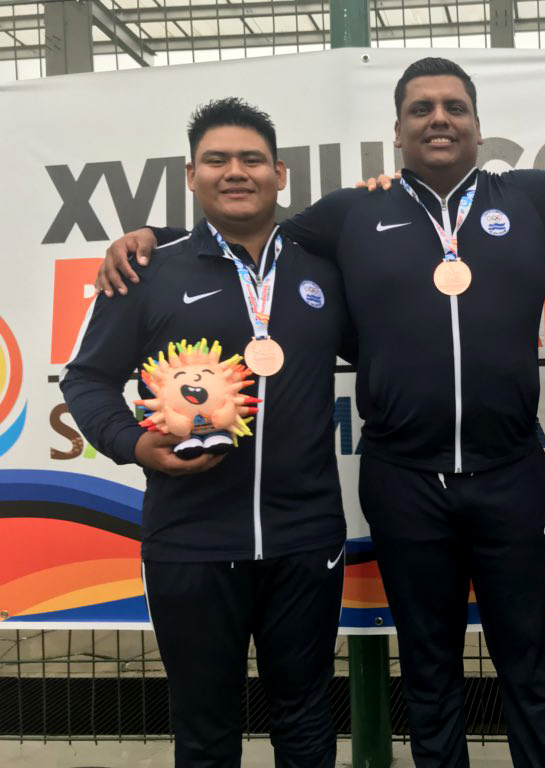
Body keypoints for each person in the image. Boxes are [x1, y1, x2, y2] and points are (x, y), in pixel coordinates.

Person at [94, 58, 545, 768]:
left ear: (478, 125)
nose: (439, 119)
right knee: (426, 669)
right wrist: (151, 235)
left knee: (530, 662)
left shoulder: (528, 197)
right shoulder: (352, 214)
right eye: (421, 109)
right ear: (396, 131)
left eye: (454, 107)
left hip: (511, 474)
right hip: (401, 480)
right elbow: (243, 227)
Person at [62, 98, 353, 768]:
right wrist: (134, 444)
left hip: (305, 537)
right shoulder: (146, 270)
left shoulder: (324, 269)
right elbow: (86, 378)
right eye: (217, 160)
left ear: (280, 174)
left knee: (307, 722)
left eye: (252, 159)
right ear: (191, 176)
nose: (236, 171)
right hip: (189, 540)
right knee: (204, 732)